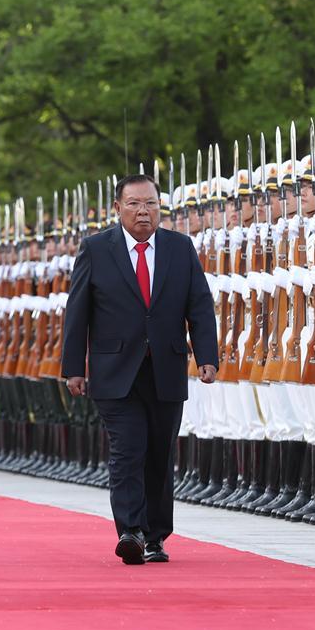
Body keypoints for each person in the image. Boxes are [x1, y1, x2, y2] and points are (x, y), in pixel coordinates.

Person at [61, 173, 218, 564]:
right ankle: (129, 530)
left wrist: (207, 355)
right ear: (118, 208)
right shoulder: (97, 249)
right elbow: (77, 312)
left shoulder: (180, 249)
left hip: (165, 366)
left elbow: (199, 305)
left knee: (159, 454)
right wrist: (72, 367)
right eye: (133, 203)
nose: (143, 211)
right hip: (115, 370)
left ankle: (155, 535)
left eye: (150, 203)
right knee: (127, 450)